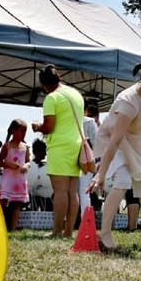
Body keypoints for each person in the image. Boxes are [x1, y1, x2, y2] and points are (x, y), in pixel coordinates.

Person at [86, 55, 141, 250]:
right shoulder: (128, 102)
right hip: (115, 142)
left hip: (136, 143)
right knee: (124, 180)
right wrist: (100, 174)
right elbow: (115, 138)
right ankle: (104, 235)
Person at [31, 64, 85, 238]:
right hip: (76, 144)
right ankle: (68, 230)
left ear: (44, 85)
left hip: (60, 146)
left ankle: (56, 231)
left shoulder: (51, 98)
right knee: (72, 191)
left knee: (60, 191)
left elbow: (49, 126)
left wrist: (37, 127)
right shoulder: (75, 94)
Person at [0, 119, 31, 231]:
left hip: (19, 180)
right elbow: (0, 161)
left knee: (17, 204)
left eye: (25, 131)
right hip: (8, 179)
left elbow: (28, 161)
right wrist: (9, 164)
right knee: (3, 202)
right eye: (22, 131)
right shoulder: (7, 146)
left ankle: (13, 228)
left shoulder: (25, 147)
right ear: (13, 131)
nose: (23, 134)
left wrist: (26, 166)